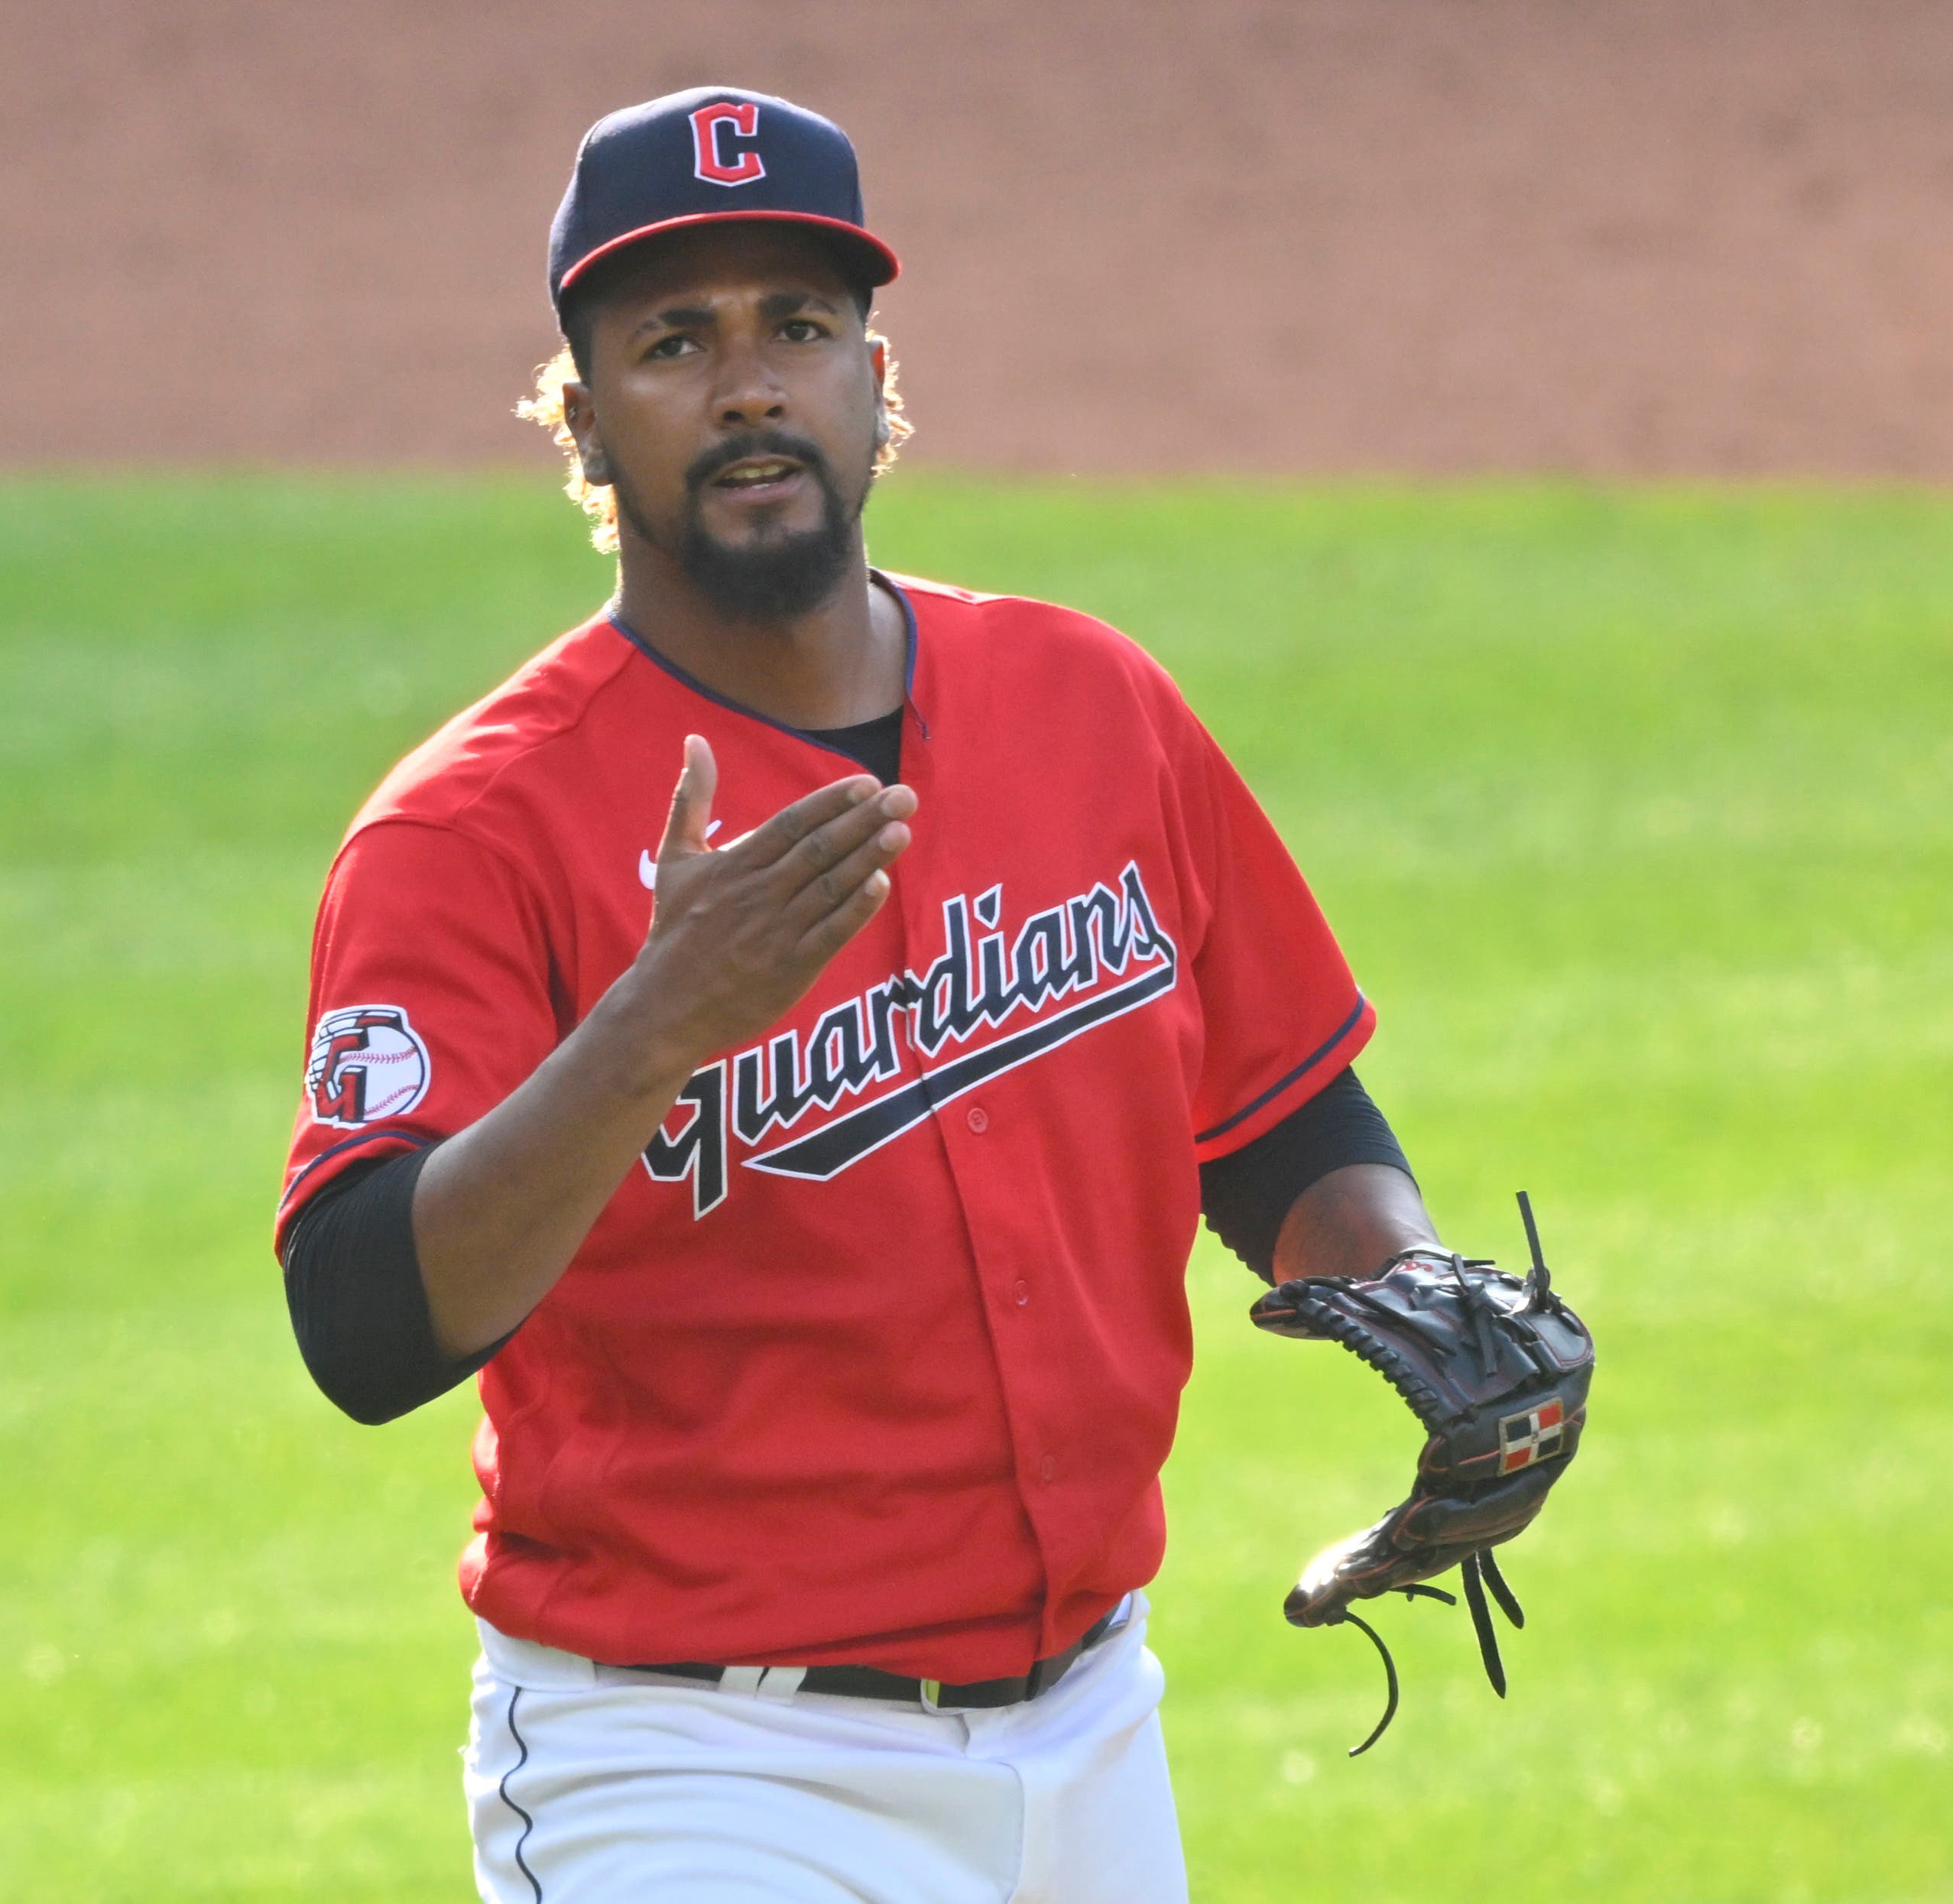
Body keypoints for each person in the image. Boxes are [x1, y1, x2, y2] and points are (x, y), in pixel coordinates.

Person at [276, 86, 1447, 1902]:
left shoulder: (1090, 702)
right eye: (677, 341)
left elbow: (1284, 1117)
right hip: (694, 1766)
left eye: (798, 330)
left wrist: (1418, 1297)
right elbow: (360, 1326)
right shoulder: (470, 829)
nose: (750, 386)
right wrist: (655, 1026)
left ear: (875, 380)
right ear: (581, 416)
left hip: (1093, 1738)